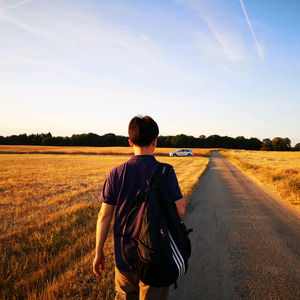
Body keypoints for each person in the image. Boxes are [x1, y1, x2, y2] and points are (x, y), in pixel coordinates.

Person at [93, 115, 186, 300]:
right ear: (155, 141)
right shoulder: (165, 172)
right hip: (156, 255)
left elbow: (104, 216)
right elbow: (180, 210)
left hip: (124, 255)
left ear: (130, 142)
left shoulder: (116, 173)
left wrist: (99, 252)